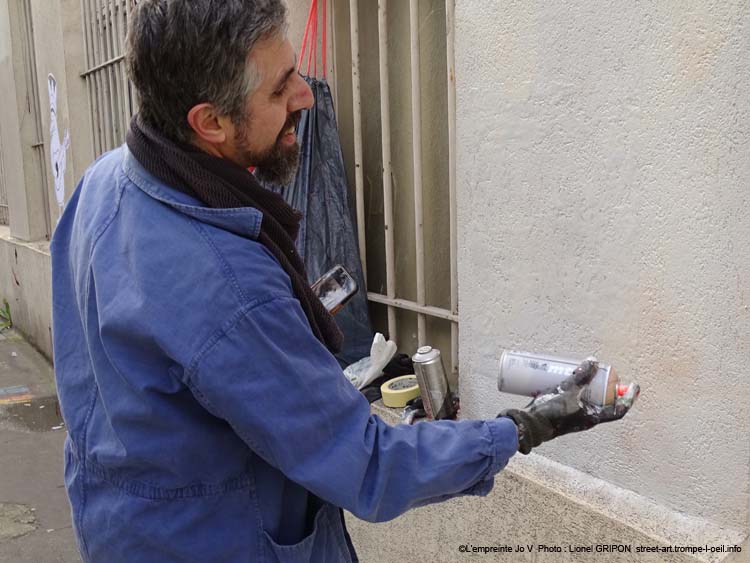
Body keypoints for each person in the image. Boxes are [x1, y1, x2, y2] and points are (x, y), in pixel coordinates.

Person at [50, 1, 635, 561]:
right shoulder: (229, 288)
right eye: (279, 89)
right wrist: (522, 428)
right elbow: (367, 465)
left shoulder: (103, 184)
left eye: (294, 73)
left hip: (118, 528)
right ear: (209, 122)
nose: (305, 94)